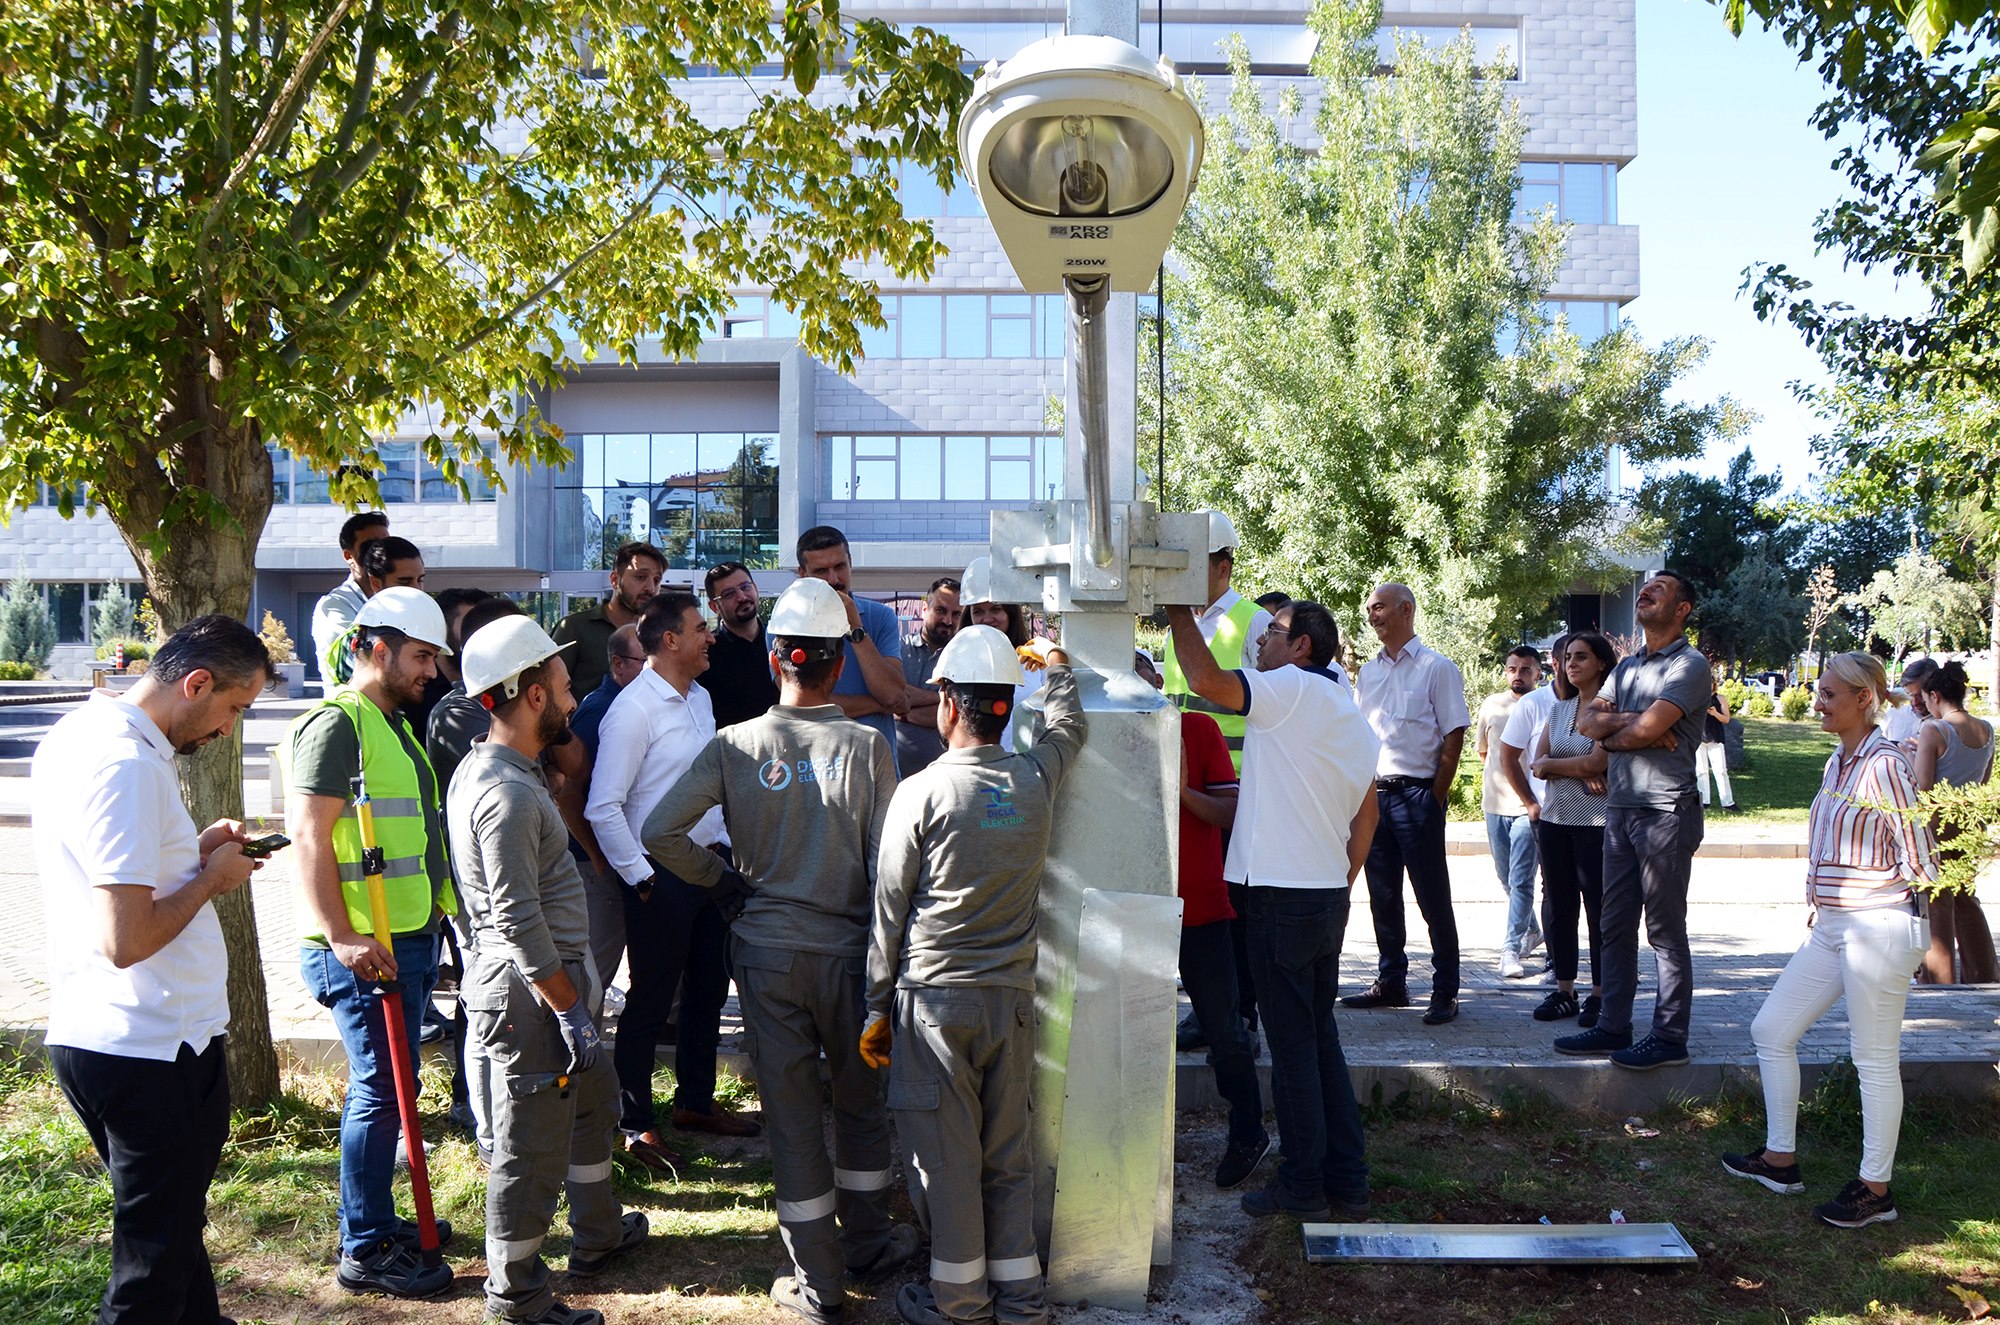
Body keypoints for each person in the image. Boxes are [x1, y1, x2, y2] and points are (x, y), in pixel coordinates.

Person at [643, 577, 918, 1324]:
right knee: (861, 1110)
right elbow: (889, 873)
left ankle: (818, 1283)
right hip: (851, 957)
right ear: (837, 665)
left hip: (765, 956)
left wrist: (725, 884)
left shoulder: (734, 746)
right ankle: (868, 1243)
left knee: (794, 1119)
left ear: (774, 660)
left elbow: (659, 832)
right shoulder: (868, 748)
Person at [35, 615, 269, 1325]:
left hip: (139, 1036)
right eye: (234, 708)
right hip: (144, 1046)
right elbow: (126, 936)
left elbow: (118, 876)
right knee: (149, 1271)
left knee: (171, 1239)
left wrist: (193, 853)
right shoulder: (126, 764)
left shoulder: (93, 734)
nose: (229, 730)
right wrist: (211, 882)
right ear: (196, 682)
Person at [863, 625, 1084, 1325]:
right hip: (1010, 1003)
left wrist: (875, 1008)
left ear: (951, 708)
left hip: (933, 1006)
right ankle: (1021, 1298)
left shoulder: (920, 793)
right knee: (1006, 1153)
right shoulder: (1034, 777)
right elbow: (1068, 727)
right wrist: (1055, 664)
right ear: (1002, 708)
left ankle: (960, 1301)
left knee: (948, 1162)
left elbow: (888, 913)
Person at [447, 617, 648, 1325]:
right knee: (529, 1151)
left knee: (593, 1111)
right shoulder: (505, 792)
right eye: (563, 685)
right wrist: (567, 1008)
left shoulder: (509, 769)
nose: (573, 695)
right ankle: (517, 1294)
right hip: (535, 997)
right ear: (532, 695)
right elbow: (516, 917)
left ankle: (597, 1233)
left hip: (555, 989)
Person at [1168, 598, 1381, 1222]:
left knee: (1293, 1051)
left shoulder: (1288, 690)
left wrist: (1180, 611)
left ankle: (1301, 1185)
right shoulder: (1348, 712)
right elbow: (1365, 819)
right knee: (1319, 1042)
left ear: (1302, 648)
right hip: (1319, 897)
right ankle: (1349, 1181)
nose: (1259, 643)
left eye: (1273, 633)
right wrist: (1336, 883)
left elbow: (1205, 681)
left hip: (1278, 898)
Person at [283, 587, 460, 1299]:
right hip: (364, 946)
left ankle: (379, 1218)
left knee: (393, 1088)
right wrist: (343, 933)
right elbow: (308, 834)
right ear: (375, 647)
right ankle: (364, 1244)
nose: (432, 671)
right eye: (421, 656)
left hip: (404, 936)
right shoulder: (339, 725)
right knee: (379, 1091)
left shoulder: (394, 723)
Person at [1721, 652, 1937, 1229]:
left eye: (1830, 695)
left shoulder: (1885, 765)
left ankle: (1875, 1190)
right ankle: (1780, 1159)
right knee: (1771, 1028)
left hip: (1881, 925)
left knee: (1873, 1059)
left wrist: (1912, 934)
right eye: (1818, 693)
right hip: (1833, 927)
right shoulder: (1837, 762)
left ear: (1865, 698)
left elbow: (1920, 854)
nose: (1818, 702)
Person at [585, 590, 759, 1170]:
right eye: (699, 627)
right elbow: (603, 807)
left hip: (710, 868)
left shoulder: (701, 697)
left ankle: (695, 1102)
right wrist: (641, 878)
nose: (711, 636)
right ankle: (636, 1123)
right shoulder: (632, 711)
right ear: (670, 641)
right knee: (651, 1002)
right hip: (658, 876)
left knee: (710, 990)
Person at [1556, 570, 1710, 1070]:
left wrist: (1626, 728)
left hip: (1666, 812)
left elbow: (1639, 729)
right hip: (1619, 811)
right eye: (1645, 589)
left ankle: (1670, 1038)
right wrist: (1632, 726)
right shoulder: (1626, 668)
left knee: (1665, 930)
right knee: (1614, 924)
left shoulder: (1689, 665)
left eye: (1659, 589)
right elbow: (1587, 724)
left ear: (1682, 608)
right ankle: (1612, 1026)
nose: (1645, 593)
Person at [1345, 583, 1469, 1025]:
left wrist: (1434, 798)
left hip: (1417, 795)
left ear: (1405, 610)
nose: (1372, 615)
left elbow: (1454, 733)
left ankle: (1446, 990)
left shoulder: (1438, 668)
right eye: (1369, 609)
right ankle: (1391, 981)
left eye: (1378, 607)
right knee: (1381, 895)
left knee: (1433, 897)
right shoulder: (1369, 673)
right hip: (1375, 796)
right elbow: (1360, 736)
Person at [1166, 705, 1270, 1190]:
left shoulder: (1197, 728)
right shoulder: (1100, 730)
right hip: (1125, 908)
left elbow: (1230, 810)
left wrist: (1183, 791)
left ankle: (1248, 1132)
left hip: (1200, 908)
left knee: (1225, 1030)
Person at [1528, 633, 1615, 1026]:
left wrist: (1564, 768)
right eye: (1567, 657)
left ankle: (1600, 993)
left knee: (1599, 909)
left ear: (1601, 663)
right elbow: (1536, 762)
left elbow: (1597, 762)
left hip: (1595, 823)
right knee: (1560, 908)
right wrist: (1578, 770)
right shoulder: (1560, 710)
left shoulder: (1610, 710)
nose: (1571, 663)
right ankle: (1564, 990)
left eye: (1581, 656)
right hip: (1554, 820)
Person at [557, 623, 645, 997]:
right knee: (591, 975)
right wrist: (596, 854)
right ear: (618, 665)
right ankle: (573, 1045)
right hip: (596, 863)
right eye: (646, 661)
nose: (654, 668)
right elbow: (568, 791)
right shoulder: (600, 711)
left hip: (621, 858)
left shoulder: (638, 702)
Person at [1161, 511, 1276, 771]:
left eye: (1193, 567)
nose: (1182, 574)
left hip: (1234, 780)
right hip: (1184, 775)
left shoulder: (1255, 621)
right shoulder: (1179, 626)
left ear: (1223, 568)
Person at [1912, 661, 1998, 984]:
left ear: (1934, 695)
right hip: (1969, 823)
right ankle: (1984, 973)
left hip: (1937, 824)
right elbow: (1984, 782)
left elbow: (1923, 786)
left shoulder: (1935, 730)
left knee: (1936, 901)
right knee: (1966, 899)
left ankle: (1939, 979)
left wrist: (1910, 755)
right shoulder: (1986, 730)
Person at [797, 524, 908, 765]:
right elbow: (804, 704)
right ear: (803, 574)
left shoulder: (880, 617)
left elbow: (893, 693)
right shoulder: (786, 627)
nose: (834, 580)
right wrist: (880, 705)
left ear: (851, 563)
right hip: (815, 771)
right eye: (821, 571)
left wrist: (855, 628)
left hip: (876, 770)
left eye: (840, 567)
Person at [1478, 646, 1545, 979]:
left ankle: (1510, 949)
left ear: (1538, 674)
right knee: (1506, 879)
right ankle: (1532, 930)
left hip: (1527, 807)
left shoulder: (1543, 706)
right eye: (1512, 669)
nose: (1518, 674)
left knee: (1521, 881)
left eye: (1525, 669)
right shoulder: (1492, 705)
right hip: (1494, 805)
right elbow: (1484, 751)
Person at [552, 541, 665, 698]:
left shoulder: (659, 635)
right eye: (640, 577)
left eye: (656, 580)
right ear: (614, 580)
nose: (650, 588)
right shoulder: (575, 628)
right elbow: (549, 689)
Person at [957, 558, 1042, 753]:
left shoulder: (1034, 662)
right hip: (978, 769)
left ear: (1011, 612)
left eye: (996, 609)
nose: (987, 619)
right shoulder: (958, 663)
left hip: (1024, 769)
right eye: (978, 611)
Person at [894, 575, 961, 776]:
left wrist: (904, 713)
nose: (948, 621)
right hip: (892, 775)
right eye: (941, 610)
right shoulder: (896, 649)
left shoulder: (962, 658)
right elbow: (891, 694)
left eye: (956, 614)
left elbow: (959, 716)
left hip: (942, 778)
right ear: (924, 609)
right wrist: (945, 700)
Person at [312, 510, 389, 678]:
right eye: (371, 545)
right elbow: (358, 661)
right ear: (348, 555)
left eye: (386, 544)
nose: (381, 552)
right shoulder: (335, 605)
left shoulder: (392, 600)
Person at [702, 561, 779, 729]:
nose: (742, 597)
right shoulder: (706, 653)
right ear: (714, 606)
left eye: (745, 587)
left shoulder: (781, 641)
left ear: (756, 588)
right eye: (729, 594)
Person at [411, 586, 492, 740]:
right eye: (471, 625)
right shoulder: (415, 691)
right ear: (443, 631)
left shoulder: (499, 687)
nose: (481, 636)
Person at [1697, 676, 1741, 813]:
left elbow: (1726, 719)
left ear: (1714, 685)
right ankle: (1704, 801)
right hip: (1699, 738)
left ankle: (1727, 802)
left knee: (1721, 770)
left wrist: (1715, 713)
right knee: (1701, 771)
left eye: (1710, 684)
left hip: (1715, 737)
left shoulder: (1720, 699)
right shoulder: (1696, 697)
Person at [1882, 658, 1939, 747]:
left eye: (1920, 695)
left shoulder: (1948, 726)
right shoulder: (1892, 716)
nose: (1915, 702)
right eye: (1910, 695)